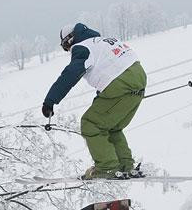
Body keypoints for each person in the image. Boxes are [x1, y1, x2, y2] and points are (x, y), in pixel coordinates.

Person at [42, 23, 147, 179]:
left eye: (65, 46)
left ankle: (108, 168)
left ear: (70, 39)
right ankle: (125, 165)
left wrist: (50, 100)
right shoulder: (103, 41)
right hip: (139, 80)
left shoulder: (82, 47)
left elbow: (70, 74)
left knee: (90, 124)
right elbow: (112, 65)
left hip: (121, 83)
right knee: (112, 126)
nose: (67, 50)